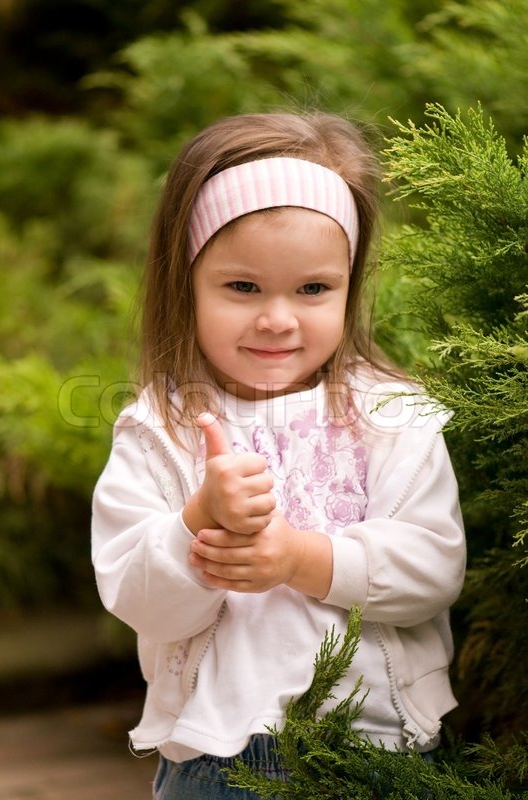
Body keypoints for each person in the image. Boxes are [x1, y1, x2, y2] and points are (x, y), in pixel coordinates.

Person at [91, 111, 466, 800]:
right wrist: (194, 525)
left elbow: (432, 569)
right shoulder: (158, 429)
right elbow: (139, 600)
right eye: (242, 287)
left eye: (312, 289)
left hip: (380, 753)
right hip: (217, 763)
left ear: (349, 285)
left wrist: (301, 559)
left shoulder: (391, 415)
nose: (277, 318)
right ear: (187, 282)